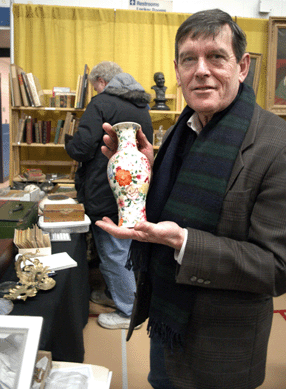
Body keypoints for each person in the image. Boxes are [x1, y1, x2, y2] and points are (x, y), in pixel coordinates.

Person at [95, 9, 286, 389]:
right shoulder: (184, 132)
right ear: (177, 70)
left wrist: (182, 241)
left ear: (242, 66)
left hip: (222, 348)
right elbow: (175, 206)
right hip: (166, 324)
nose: (201, 70)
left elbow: (275, 268)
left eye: (216, 56)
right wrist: (152, 170)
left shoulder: (275, 145)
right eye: (188, 59)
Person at [65, 61, 153, 330]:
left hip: (105, 188)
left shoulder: (101, 103)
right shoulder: (142, 106)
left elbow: (81, 147)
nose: (95, 90)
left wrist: (68, 141)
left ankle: (129, 312)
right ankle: (122, 295)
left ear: (102, 81)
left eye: (95, 86)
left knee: (112, 249)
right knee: (125, 247)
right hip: (133, 189)